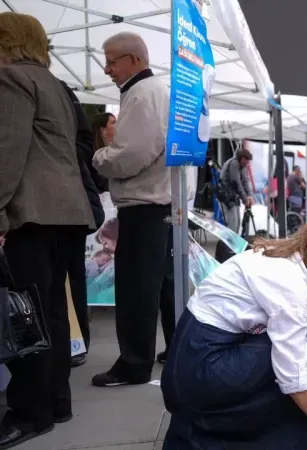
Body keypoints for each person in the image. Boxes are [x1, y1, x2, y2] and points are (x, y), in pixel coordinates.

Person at [161, 208, 307, 450]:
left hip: (189, 366)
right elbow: (293, 378)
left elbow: (258, 321)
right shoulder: (288, 281)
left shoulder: (277, 257)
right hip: (200, 375)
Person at [0, 12, 95, 447]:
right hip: (66, 214)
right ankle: (56, 401)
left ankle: (30, 411)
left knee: (25, 315)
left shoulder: (13, 79)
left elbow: (7, 153)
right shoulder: (54, 84)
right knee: (52, 312)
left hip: (33, 214)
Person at [91, 31, 175, 387]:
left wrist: (100, 157)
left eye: (112, 61)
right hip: (162, 202)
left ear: (135, 60)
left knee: (137, 289)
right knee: (164, 286)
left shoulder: (142, 94)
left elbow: (131, 156)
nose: (107, 69)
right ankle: (175, 350)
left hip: (145, 204)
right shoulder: (156, 91)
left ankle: (134, 363)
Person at [59, 80, 106, 367]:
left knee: (66, 281)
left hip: (66, 206)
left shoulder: (59, 91)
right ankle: (75, 344)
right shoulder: (63, 91)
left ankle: (75, 344)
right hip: (73, 205)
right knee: (67, 280)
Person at [219, 149, 255, 233]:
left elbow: (246, 181)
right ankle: (229, 244)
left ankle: (233, 243)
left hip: (233, 196)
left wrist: (249, 195)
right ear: (242, 158)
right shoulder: (234, 164)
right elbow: (237, 183)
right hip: (227, 196)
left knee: (238, 222)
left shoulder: (243, 165)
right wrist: (245, 199)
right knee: (233, 222)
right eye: (246, 161)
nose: (247, 164)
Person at [89, 112, 117, 193]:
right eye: (113, 122)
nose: (118, 125)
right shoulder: (90, 154)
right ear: (103, 130)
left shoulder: (115, 150)